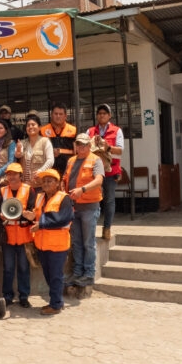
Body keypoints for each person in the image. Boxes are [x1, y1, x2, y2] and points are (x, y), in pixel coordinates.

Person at [63, 133, 105, 288]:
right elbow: (65, 180)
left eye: (84, 144)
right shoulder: (71, 161)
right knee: (76, 242)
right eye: (79, 144)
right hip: (73, 207)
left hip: (89, 207)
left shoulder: (96, 160)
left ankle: (88, 274)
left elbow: (99, 180)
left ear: (89, 146)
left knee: (88, 242)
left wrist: (83, 189)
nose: (81, 147)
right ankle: (77, 271)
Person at [31, 169, 75, 315]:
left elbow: (63, 218)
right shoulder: (39, 198)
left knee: (55, 275)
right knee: (49, 275)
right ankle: (57, 301)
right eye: (44, 181)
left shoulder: (64, 198)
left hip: (58, 245)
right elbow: (38, 215)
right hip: (42, 244)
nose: (46, 183)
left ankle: (55, 305)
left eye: (50, 180)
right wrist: (31, 215)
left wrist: (41, 224)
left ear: (57, 183)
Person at [0, 163, 36, 308]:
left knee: (23, 267)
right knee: (8, 268)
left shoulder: (29, 190)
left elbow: (32, 211)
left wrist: (22, 216)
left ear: (20, 175)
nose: (12, 177)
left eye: (15, 174)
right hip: (7, 236)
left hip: (24, 236)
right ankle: (7, 296)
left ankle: (24, 296)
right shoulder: (2, 191)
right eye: (9, 174)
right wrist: (1, 216)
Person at [87, 103, 123, 241]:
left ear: (110, 116)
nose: (102, 115)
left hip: (111, 171)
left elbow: (120, 151)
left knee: (109, 201)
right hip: (93, 173)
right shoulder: (90, 131)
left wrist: (108, 148)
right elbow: (82, 148)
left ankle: (107, 228)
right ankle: (91, 229)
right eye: (99, 113)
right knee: (93, 200)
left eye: (104, 113)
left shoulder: (117, 131)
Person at [15, 114, 54, 191]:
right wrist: (18, 149)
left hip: (40, 185)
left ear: (39, 127)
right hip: (24, 185)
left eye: (33, 125)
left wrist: (41, 171)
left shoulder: (45, 141)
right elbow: (18, 156)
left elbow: (50, 160)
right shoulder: (22, 143)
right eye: (28, 125)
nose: (30, 127)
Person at [41, 102, 77, 176]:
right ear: (51, 115)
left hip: (68, 169)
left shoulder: (73, 130)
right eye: (56, 114)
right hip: (49, 170)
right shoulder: (43, 131)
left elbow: (77, 152)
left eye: (60, 114)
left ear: (65, 116)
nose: (58, 116)